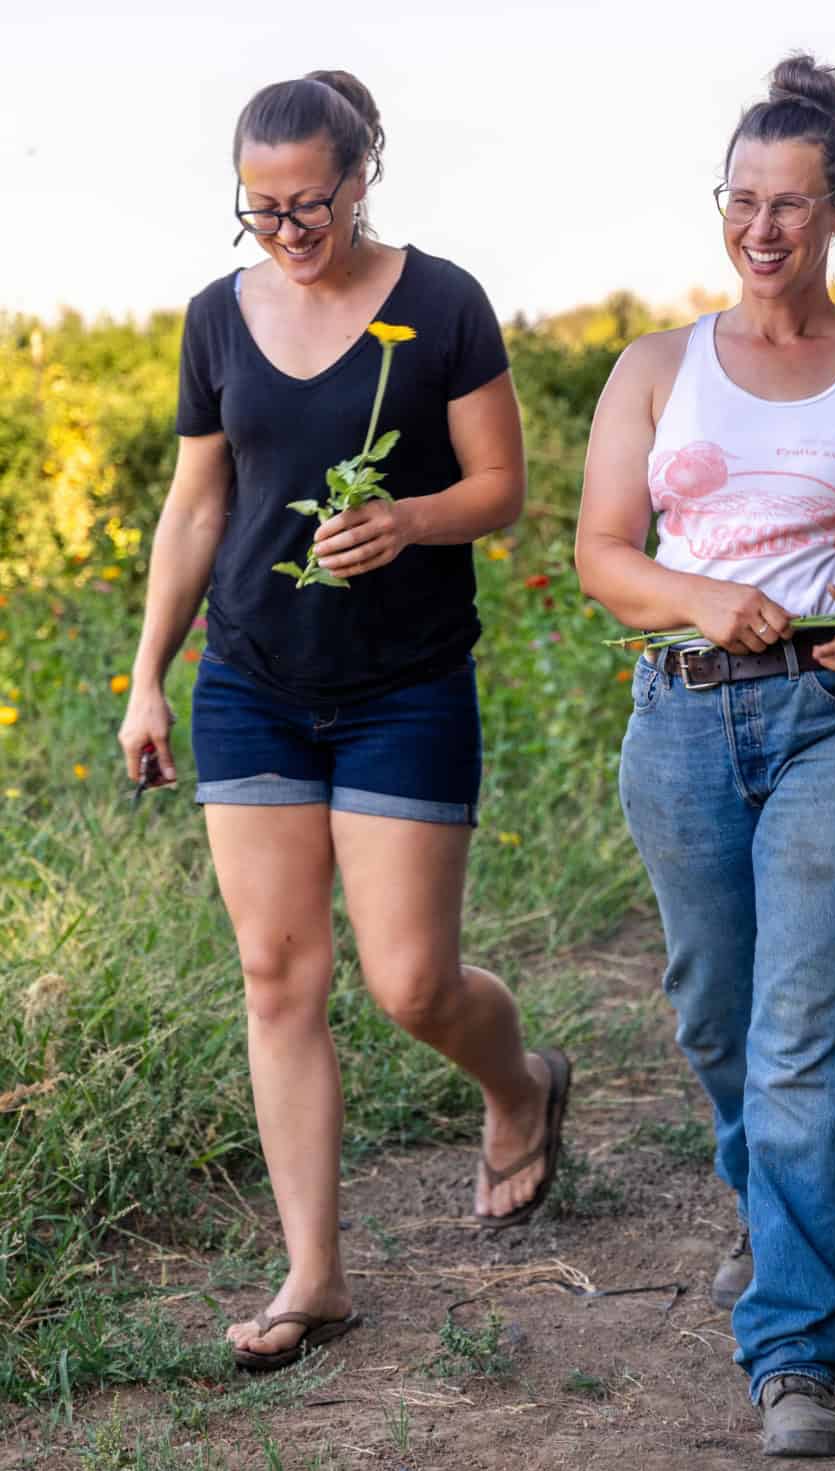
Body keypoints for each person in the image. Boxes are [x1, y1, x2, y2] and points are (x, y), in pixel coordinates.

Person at [118, 70, 570, 1373]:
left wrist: (410, 517)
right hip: (251, 680)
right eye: (258, 208)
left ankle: (519, 1084)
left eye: (306, 202)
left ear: (361, 175)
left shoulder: (442, 305)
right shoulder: (217, 318)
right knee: (278, 976)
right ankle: (316, 1275)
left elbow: (501, 490)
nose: (284, 230)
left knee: (410, 981)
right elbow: (198, 506)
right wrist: (151, 672)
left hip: (405, 686)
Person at [576, 53, 835, 1457]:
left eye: (792, 203)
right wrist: (699, 599)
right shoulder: (656, 369)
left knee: (805, 1036)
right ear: (722, 207)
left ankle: (795, 1344)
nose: (763, 227)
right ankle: (780, 1211)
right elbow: (605, 557)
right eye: (743, 200)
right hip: (682, 716)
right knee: (715, 1017)